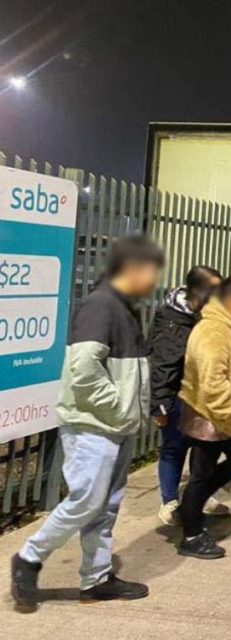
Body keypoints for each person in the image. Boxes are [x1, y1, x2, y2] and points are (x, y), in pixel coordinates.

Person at [11, 234, 163, 605]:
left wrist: (125, 413)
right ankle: (30, 556)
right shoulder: (102, 306)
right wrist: (119, 408)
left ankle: (96, 578)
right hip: (93, 425)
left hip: (114, 425)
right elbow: (82, 369)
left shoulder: (125, 308)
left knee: (105, 505)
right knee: (87, 502)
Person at [176, 276, 231, 559]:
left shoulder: (229, 327)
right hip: (211, 418)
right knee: (201, 475)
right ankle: (191, 534)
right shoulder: (213, 330)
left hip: (224, 419)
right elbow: (213, 383)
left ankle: (191, 508)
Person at [148, 265, 228, 526]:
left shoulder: (206, 315)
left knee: (203, 447)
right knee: (174, 447)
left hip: (203, 393)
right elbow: (162, 362)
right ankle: (169, 501)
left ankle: (198, 495)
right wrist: (159, 403)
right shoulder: (171, 318)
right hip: (177, 395)